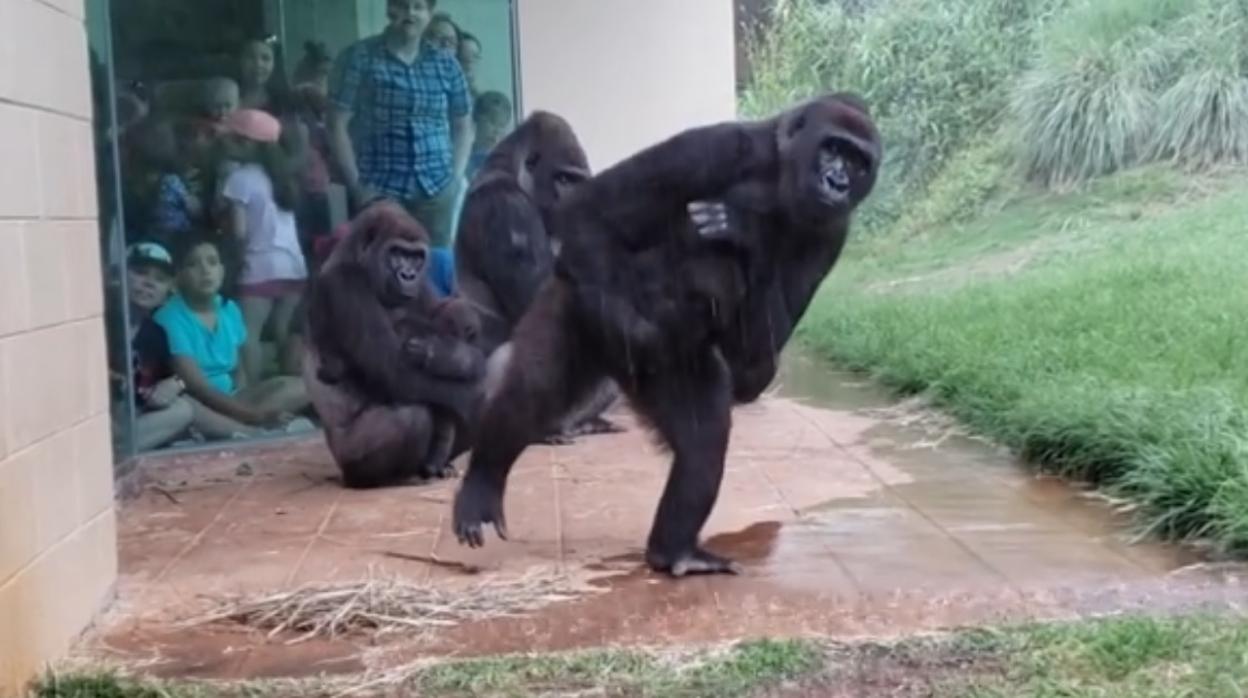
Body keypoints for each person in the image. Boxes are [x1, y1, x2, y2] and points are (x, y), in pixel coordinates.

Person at [328, 0, 473, 248]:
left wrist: (455, 180)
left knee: (434, 272)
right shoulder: (359, 58)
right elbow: (336, 124)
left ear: (429, 14)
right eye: (403, 6)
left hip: (436, 192)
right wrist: (357, 186)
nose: (410, 14)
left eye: (418, 7)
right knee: (380, 273)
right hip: (380, 191)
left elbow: (464, 126)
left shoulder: (447, 65)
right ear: (389, 10)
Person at [155, 235, 312, 437]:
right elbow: (198, 388)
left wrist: (245, 403)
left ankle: (246, 427)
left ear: (222, 270)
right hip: (199, 404)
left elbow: (239, 372)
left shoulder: (228, 308)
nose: (205, 271)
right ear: (179, 276)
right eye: (193, 264)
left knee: (302, 385)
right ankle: (254, 428)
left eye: (212, 262)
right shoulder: (169, 317)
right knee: (191, 408)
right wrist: (255, 415)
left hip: (233, 399)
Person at [218, 108, 309, 383]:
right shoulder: (284, 177)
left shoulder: (239, 179)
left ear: (245, 143)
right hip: (293, 266)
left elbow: (240, 231)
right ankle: (291, 391)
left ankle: (256, 395)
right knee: (283, 332)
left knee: (250, 335)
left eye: (230, 138)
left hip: (259, 266)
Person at [107, 242, 195, 451]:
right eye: (140, 273)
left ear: (168, 292)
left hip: (131, 422)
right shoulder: (99, 323)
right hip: (96, 419)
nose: (149, 284)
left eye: (160, 279)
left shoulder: (156, 333)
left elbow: (175, 380)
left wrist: (176, 385)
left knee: (183, 409)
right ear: (118, 277)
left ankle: (115, 452)